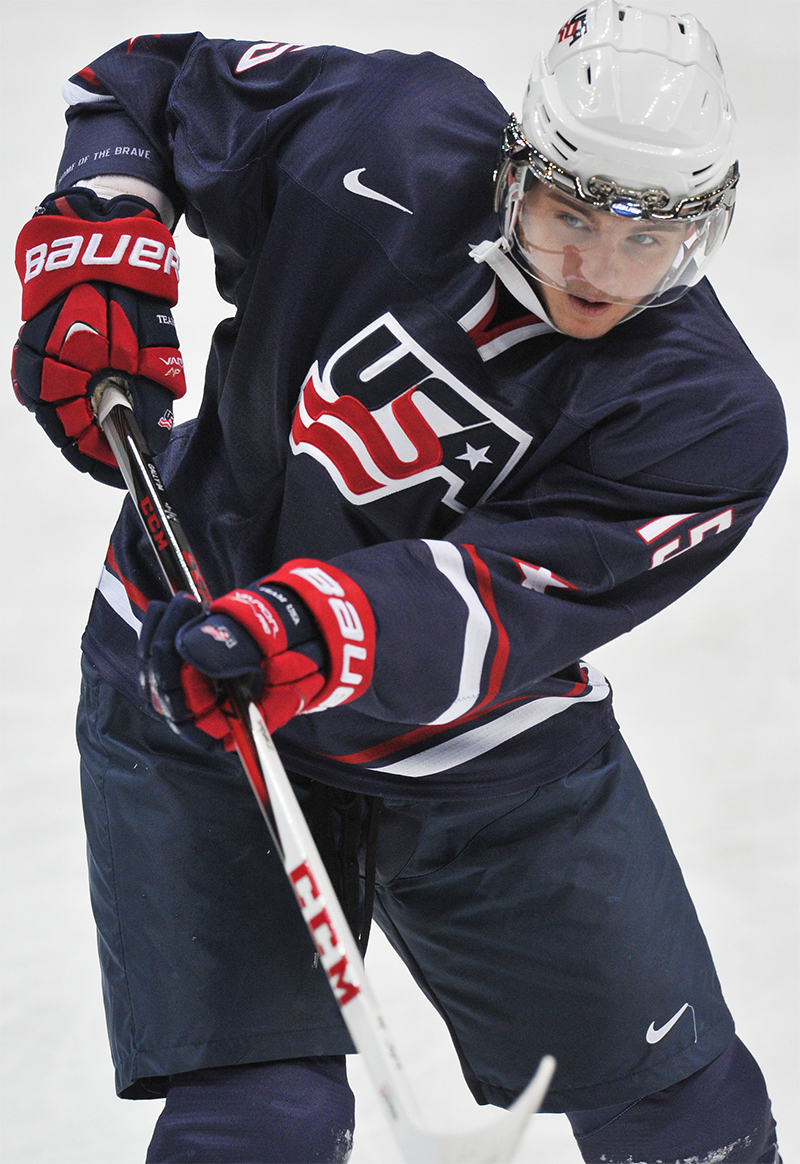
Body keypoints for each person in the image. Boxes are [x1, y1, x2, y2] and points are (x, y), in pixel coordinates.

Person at [11, 3, 787, 1161]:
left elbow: (505, 593)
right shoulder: (380, 130)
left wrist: (308, 627)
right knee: (256, 1125)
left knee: (681, 1114)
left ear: (700, 226)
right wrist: (101, 244)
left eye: (645, 239)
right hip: (195, 680)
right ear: (512, 168)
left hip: (480, 751)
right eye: (566, 214)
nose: (595, 268)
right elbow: (148, 89)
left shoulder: (703, 416)